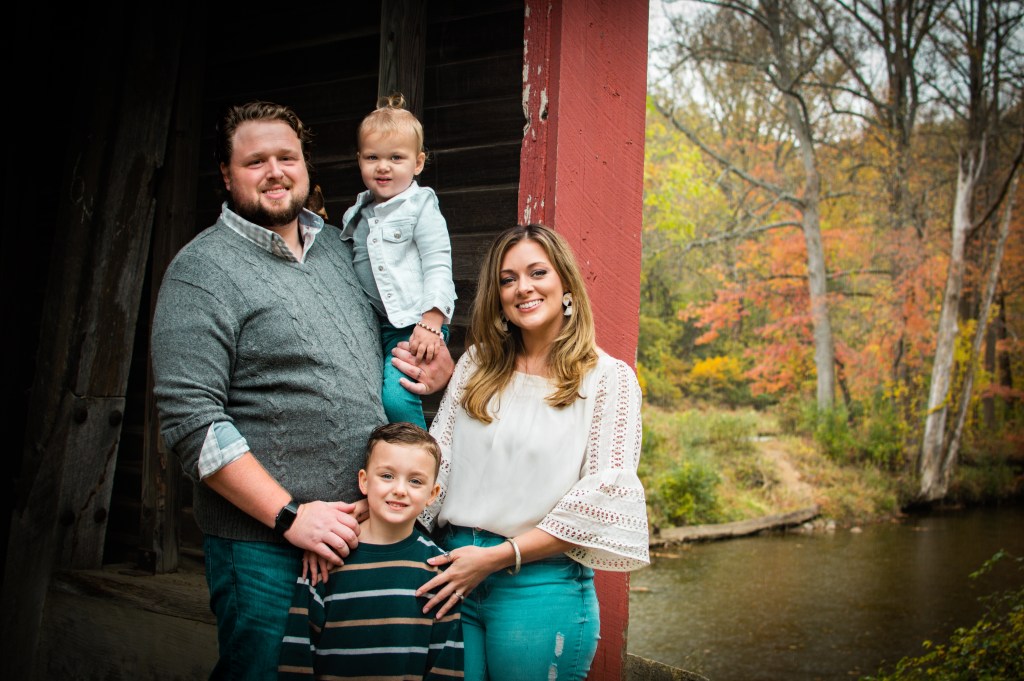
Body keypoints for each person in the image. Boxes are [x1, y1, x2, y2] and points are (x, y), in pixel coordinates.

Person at [150, 100, 453, 681]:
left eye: (286, 157)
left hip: (359, 533)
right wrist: (289, 516)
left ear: (306, 165)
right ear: (226, 174)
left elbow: (384, 342)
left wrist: (431, 374)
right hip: (265, 545)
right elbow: (192, 424)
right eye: (254, 161)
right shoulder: (201, 270)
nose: (275, 172)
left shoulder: (342, 249)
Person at [416, 224, 651, 680]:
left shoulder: (608, 379)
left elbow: (599, 503)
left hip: (539, 589)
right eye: (508, 279)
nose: (522, 287)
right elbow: (437, 459)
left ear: (566, 284)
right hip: (450, 572)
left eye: (537, 272)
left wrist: (495, 558)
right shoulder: (477, 364)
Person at [278, 422, 464, 679]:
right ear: (364, 482)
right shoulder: (328, 557)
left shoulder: (438, 569)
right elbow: (298, 650)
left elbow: (446, 663)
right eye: (387, 476)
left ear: (432, 494)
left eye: (415, 481)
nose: (399, 490)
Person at [340, 93, 457, 430]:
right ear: (359, 160)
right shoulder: (356, 214)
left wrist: (431, 320)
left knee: (397, 395)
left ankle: (420, 451)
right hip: (372, 326)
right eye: (372, 157)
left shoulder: (420, 206)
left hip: (415, 324)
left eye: (396, 157)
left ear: (417, 163)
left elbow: (438, 263)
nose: (383, 166)